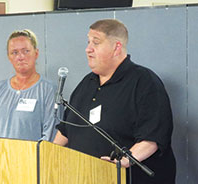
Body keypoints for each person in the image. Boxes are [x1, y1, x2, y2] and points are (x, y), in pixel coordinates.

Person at [53, 19, 176, 184]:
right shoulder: (86, 83)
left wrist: (124, 161)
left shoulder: (144, 82)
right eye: (88, 42)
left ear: (116, 47)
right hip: (87, 177)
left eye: (95, 43)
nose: (88, 49)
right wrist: (49, 154)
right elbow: (66, 129)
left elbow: (153, 137)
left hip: (130, 178)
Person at [0, 29, 58, 141]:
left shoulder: (48, 90)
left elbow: (50, 137)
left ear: (36, 53)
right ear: (9, 57)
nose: (20, 57)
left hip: (32, 158)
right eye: (14, 52)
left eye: (26, 51)